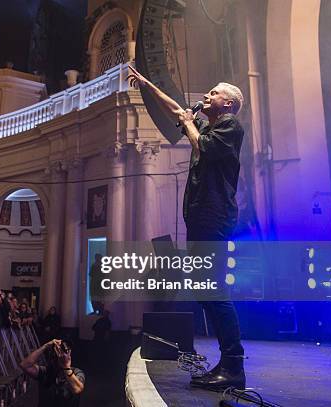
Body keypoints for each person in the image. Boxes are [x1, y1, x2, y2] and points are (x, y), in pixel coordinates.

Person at [128, 67, 246, 390]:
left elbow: (201, 146)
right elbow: (177, 109)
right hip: (201, 219)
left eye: (213, 92)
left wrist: (190, 122)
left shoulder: (230, 127)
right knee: (206, 290)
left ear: (228, 104)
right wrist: (148, 84)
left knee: (215, 291)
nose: (206, 96)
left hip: (213, 218)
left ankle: (234, 365)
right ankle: (228, 363)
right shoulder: (208, 127)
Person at [20, 339, 85, 407]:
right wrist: (45, 346)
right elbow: (25, 365)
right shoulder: (46, 372)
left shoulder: (77, 372)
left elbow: (77, 389)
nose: (60, 355)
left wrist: (66, 367)